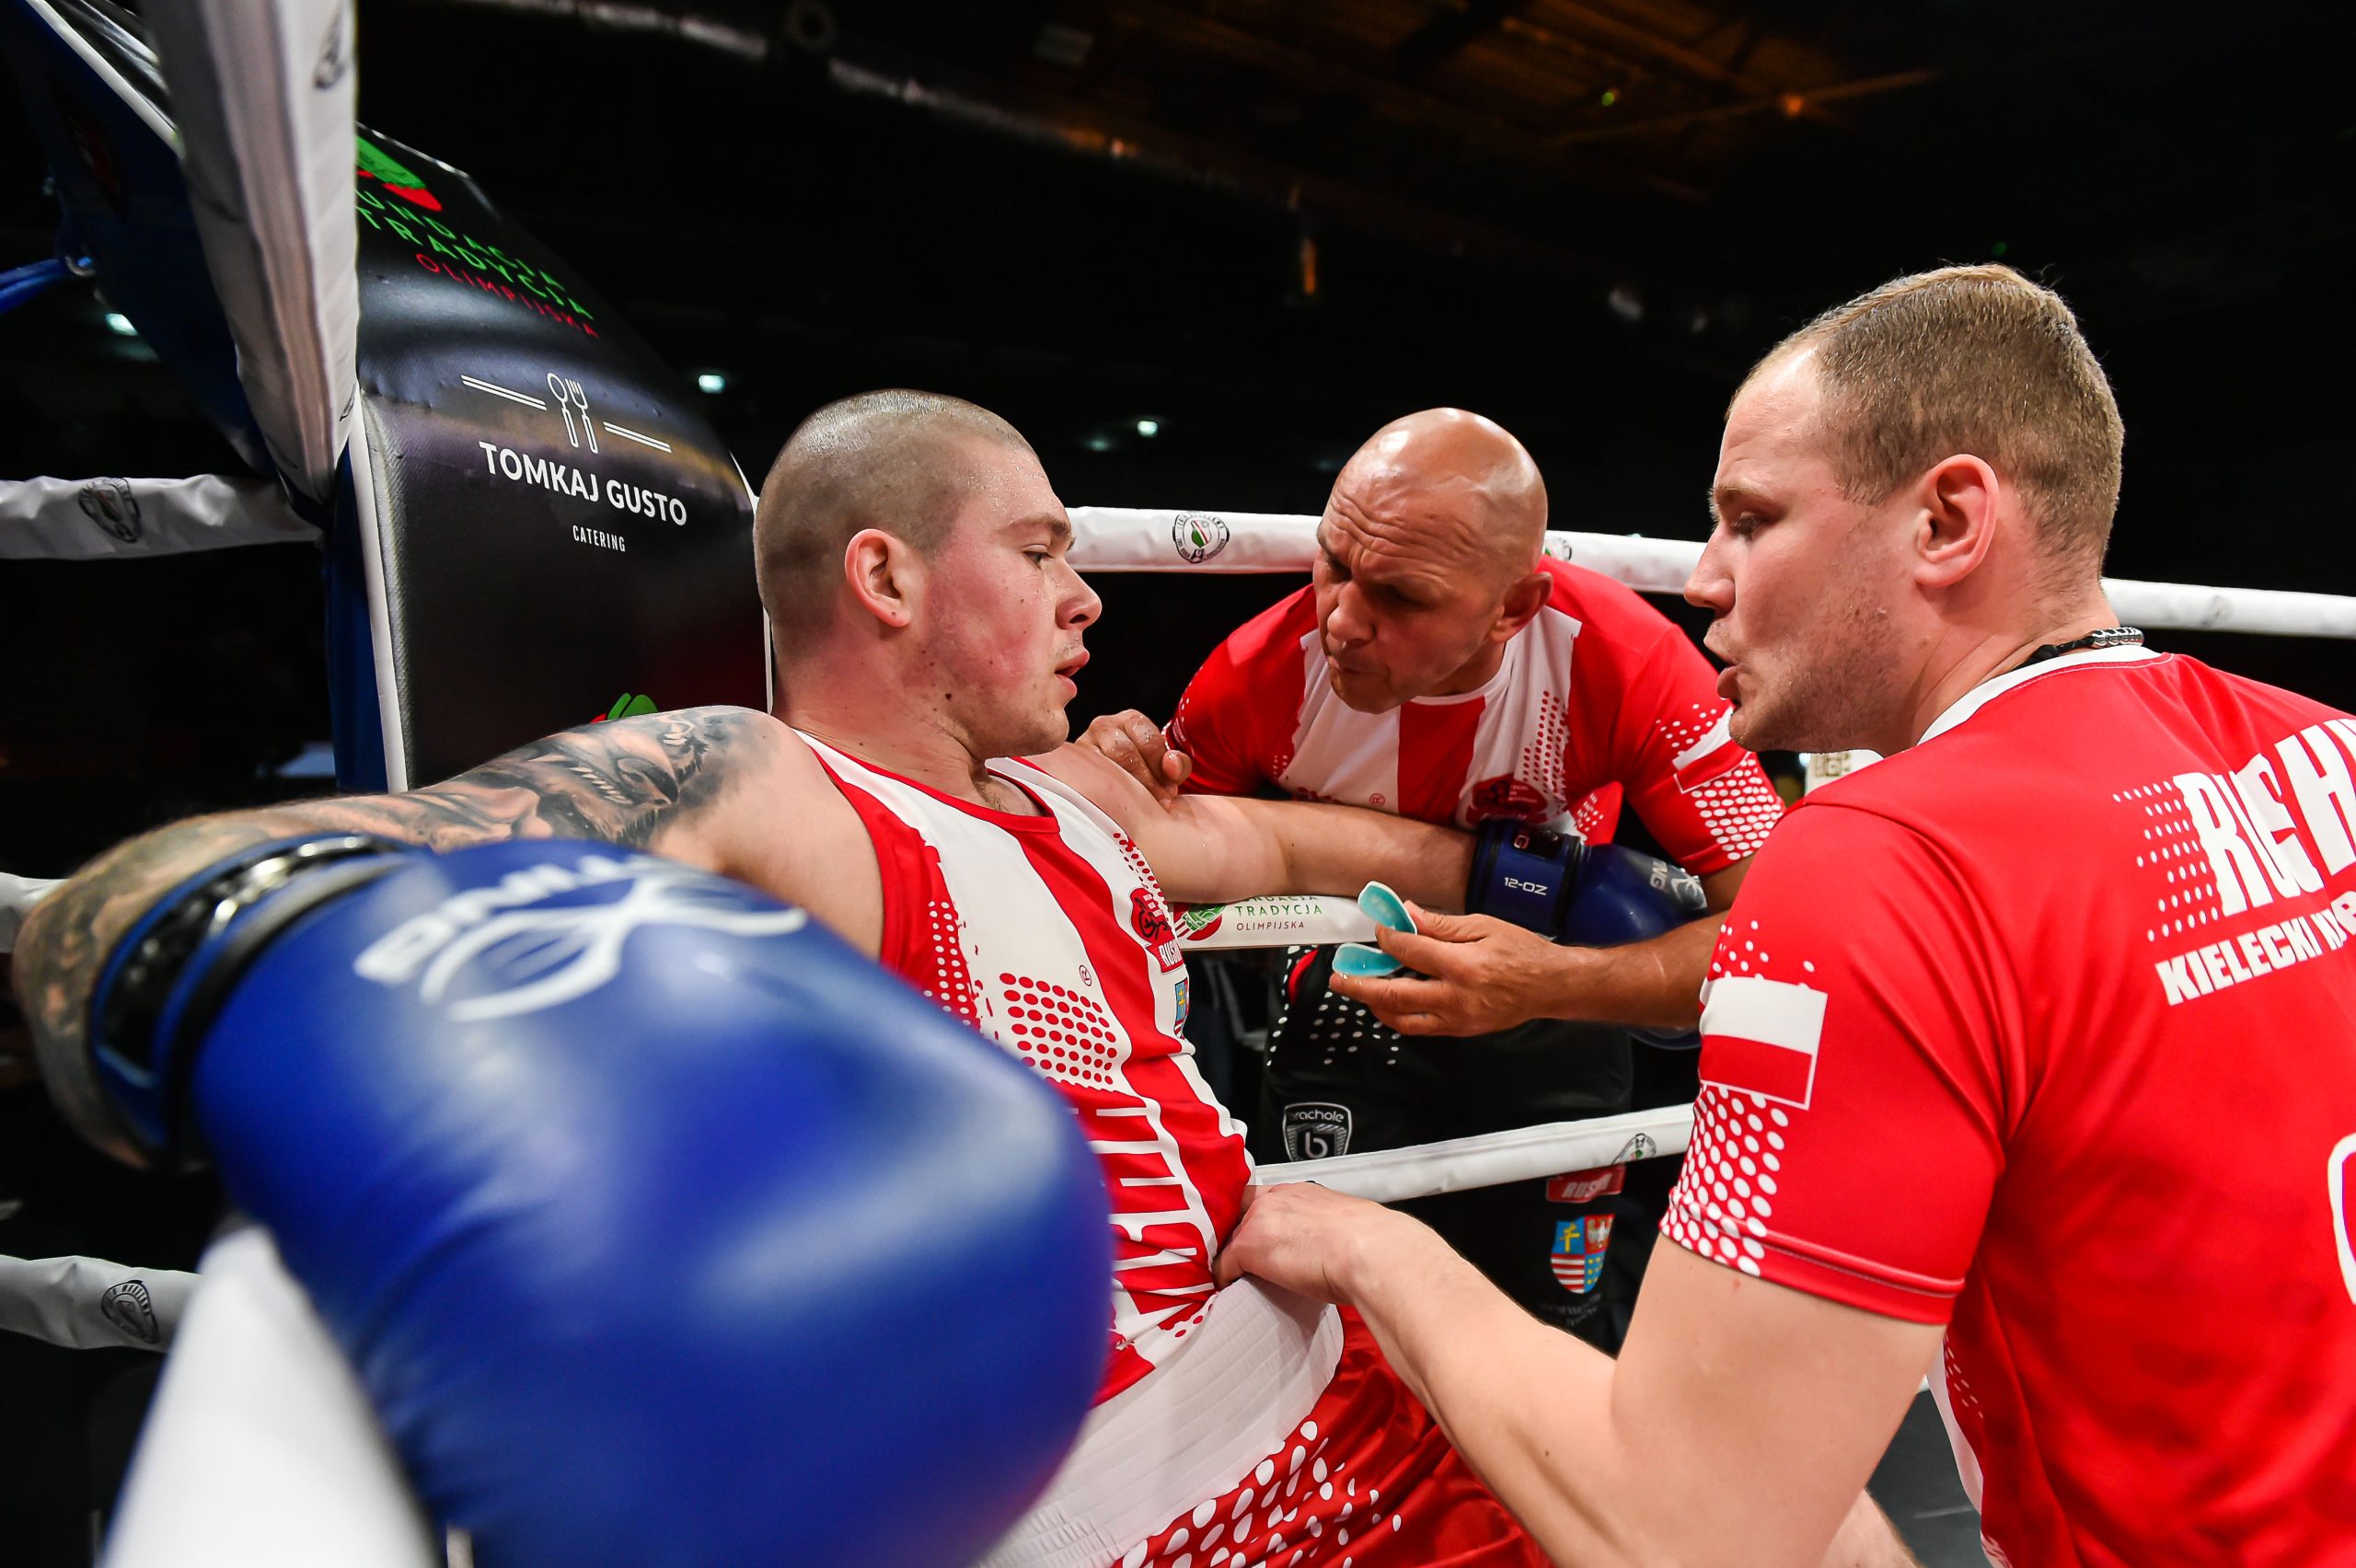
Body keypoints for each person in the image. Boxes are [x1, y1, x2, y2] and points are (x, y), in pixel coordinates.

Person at [14, 391, 1558, 1566]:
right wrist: (207, 983)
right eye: (1038, 552)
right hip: (1153, 1510)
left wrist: (1585, 898)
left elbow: (1340, 843)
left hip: (1374, 1401)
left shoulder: (1089, 794)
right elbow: (141, 903)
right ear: (885, 576)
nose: (1086, 596)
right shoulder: (770, 786)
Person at [1218, 266, 2356, 1567]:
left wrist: (1368, 1248)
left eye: (1750, 521)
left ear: (1947, 522)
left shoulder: (1880, 861)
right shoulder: (2329, 749)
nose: (1702, 577)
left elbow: (1687, 1534)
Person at [1085, 406, 1786, 1348]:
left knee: (1550, 1331)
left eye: (1401, 597)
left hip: (1557, 1009)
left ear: (1512, 608)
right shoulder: (1257, 673)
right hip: (1346, 997)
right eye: (1333, 561)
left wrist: (1557, 982)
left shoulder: (1624, 663)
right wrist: (1116, 773)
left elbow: (1780, 926)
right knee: (1322, 1332)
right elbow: (1148, 868)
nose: (1341, 620)